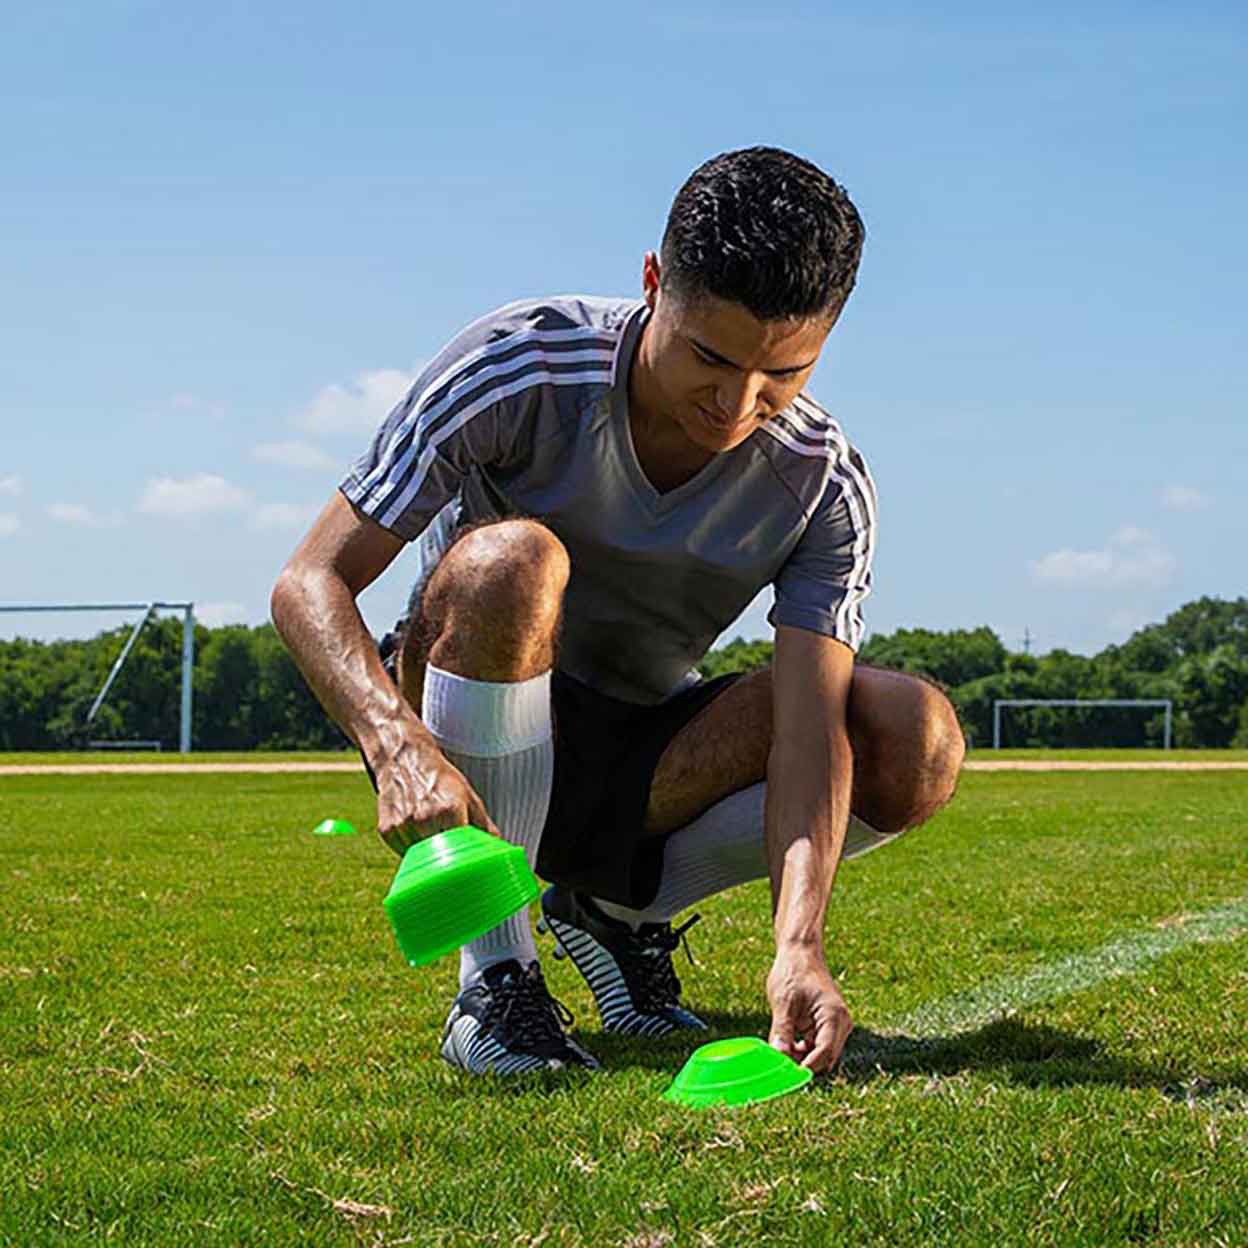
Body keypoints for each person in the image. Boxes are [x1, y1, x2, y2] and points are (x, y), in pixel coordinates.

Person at [272, 146, 965, 1077]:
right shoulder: (520, 366)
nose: (736, 403)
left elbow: (808, 737)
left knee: (911, 731)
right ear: (652, 283)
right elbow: (310, 581)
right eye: (709, 357)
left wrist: (799, 944)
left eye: (783, 374)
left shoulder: (822, 481)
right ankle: (498, 985)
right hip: (468, 724)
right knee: (517, 558)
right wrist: (395, 747)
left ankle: (619, 914)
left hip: (642, 746)